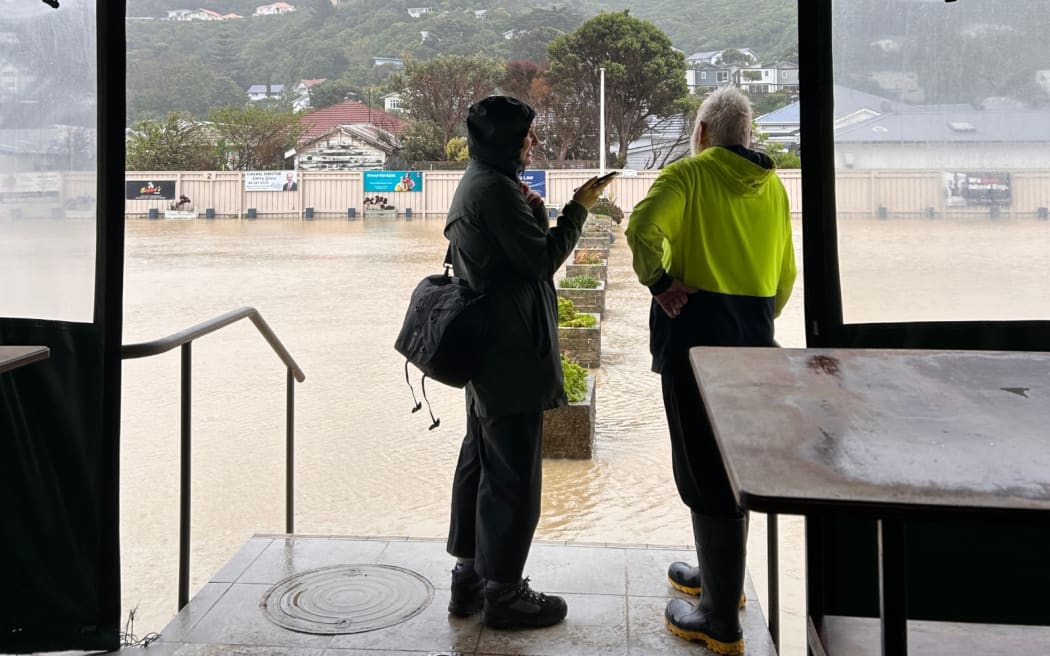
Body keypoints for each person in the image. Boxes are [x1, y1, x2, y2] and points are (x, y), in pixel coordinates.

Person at [624, 86, 796, 656]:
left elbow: (641, 229)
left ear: (701, 134)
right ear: (748, 137)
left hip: (695, 343)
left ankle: (718, 618)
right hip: (753, 339)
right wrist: (753, 317)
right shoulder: (771, 186)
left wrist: (662, 284)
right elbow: (786, 276)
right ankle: (719, 578)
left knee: (701, 469)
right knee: (733, 466)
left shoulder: (687, 177)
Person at [443, 95, 614, 630]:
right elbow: (541, 261)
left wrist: (536, 210)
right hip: (510, 353)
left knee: (482, 464)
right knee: (513, 476)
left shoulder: (484, 180)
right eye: (527, 135)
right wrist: (578, 208)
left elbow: (514, 251)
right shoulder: (494, 190)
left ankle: (469, 580)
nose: (533, 142)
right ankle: (505, 593)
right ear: (506, 141)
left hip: (489, 351)